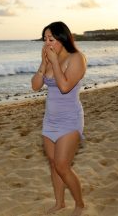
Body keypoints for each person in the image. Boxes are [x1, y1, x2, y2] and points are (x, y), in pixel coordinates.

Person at [31, 22, 86, 216]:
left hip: (70, 119)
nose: (47, 43)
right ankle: (60, 203)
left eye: (51, 39)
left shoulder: (77, 58)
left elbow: (64, 87)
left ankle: (79, 203)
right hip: (50, 120)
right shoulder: (48, 58)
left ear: (62, 39)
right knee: (54, 163)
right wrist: (44, 63)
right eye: (45, 39)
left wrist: (54, 61)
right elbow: (35, 86)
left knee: (62, 165)